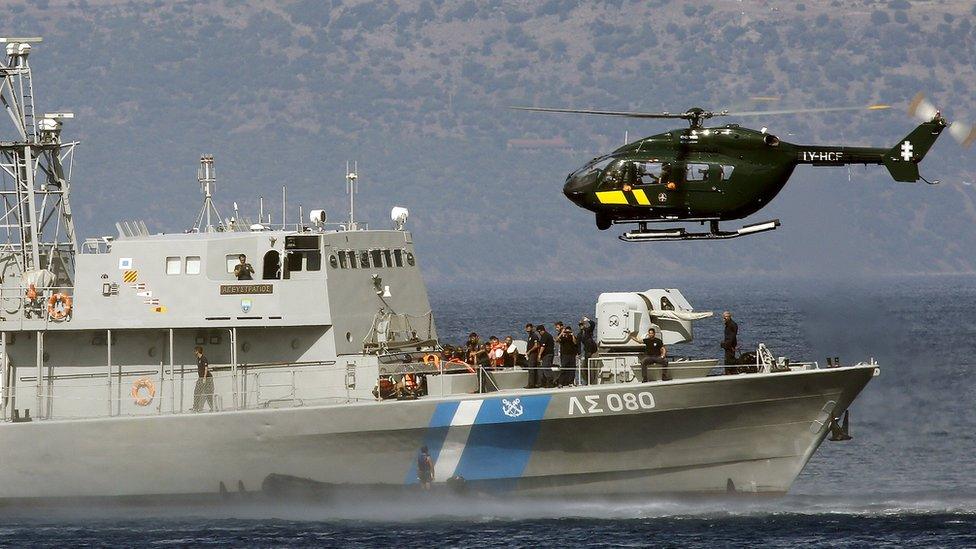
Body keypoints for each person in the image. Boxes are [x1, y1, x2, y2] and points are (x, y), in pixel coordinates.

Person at [191, 346, 215, 412]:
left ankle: (212, 407)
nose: (194, 352)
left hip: (206, 378)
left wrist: (204, 378)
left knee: (208, 393)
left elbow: (206, 368)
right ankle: (195, 407)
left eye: (195, 351)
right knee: (197, 392)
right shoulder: (198, 359)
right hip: (201, 378)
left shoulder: (203, 358)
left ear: (197, 351)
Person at [577, 317, 597, 385]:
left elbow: (593, 324)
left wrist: (588, 320)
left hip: (593, 349)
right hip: (587, 351)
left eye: (582, 325)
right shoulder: (579, 335)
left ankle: (593, 380)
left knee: (593, 365)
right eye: (580, 325)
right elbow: (578, 344)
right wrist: (579, 353)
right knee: (586, 366)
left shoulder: (588, 330)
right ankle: (588, 381)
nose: (581, 326)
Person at [524, 323, 542, 388]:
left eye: (529, 328)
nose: (528, 329)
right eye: (527, 328)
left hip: (533, 354)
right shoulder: (530, 336)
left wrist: (529, 351)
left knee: (531, 369)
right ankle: (534, 383)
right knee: (532, 369)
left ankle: (531, 384)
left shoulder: (534, 336)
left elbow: (536, 345)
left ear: (532, 328)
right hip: (530, 354)